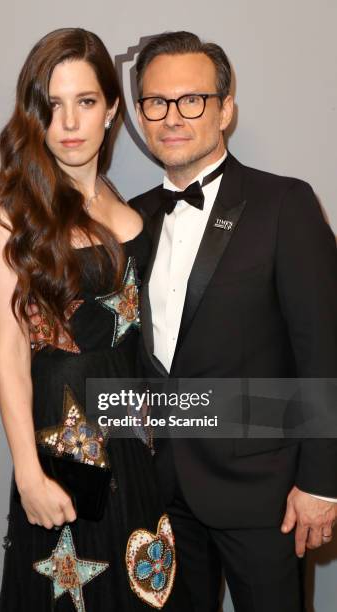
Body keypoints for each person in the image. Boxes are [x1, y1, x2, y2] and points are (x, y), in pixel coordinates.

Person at [0, 28, 190, 612]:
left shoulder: (126, 205)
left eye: (87, 101)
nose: (69, 122)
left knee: (144, 590)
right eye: (54, 105)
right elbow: (9, 351)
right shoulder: (13, 216)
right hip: (65, 442)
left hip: (135, 437)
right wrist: (27, 474)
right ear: (35, 115)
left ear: (113, 110)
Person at [129, 31, 337, 612]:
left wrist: (322, 482)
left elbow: (323, 348)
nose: (172, 117)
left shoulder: (285, 205)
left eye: (191, 100)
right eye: (156, 102)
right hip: (160, 495)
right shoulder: (131, 220)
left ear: (225, 110)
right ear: (141, 114)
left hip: (266, 496)